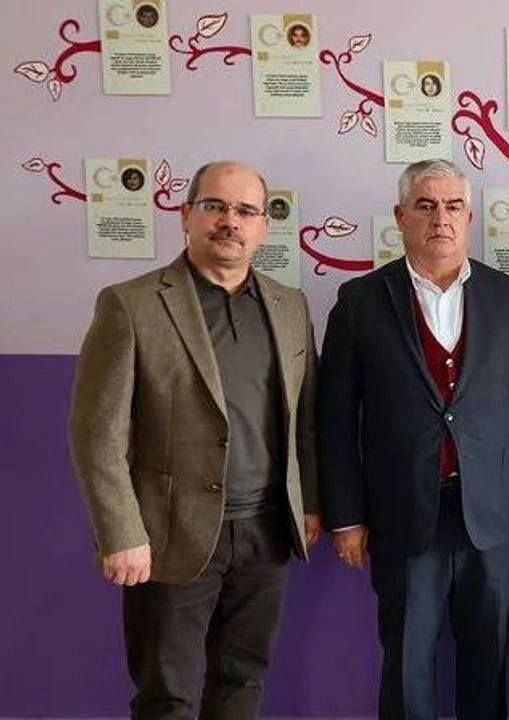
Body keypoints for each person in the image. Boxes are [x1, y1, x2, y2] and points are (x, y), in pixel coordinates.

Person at [68, 161, 322, 717]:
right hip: (169, 535)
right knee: (167, 696)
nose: (230, 221)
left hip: (266, 532)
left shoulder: (289, 306)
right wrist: (121, 532)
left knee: (243, 682)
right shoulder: (131, 305)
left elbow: (304, 418)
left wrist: (309, 503)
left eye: (246, 211)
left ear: (264, 227)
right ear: (186, 215)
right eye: (215, 207)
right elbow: (96, 434)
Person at [319, 158, 509, 719]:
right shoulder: (360, 301)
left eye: (453, 206)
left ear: (469, 218)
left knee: (488, 658)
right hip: (402, 512)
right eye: (425, 206)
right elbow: (334, 416)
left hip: (493, 515)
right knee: (407, 660)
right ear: (401, 216)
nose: (440, 219)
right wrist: (346, 516)